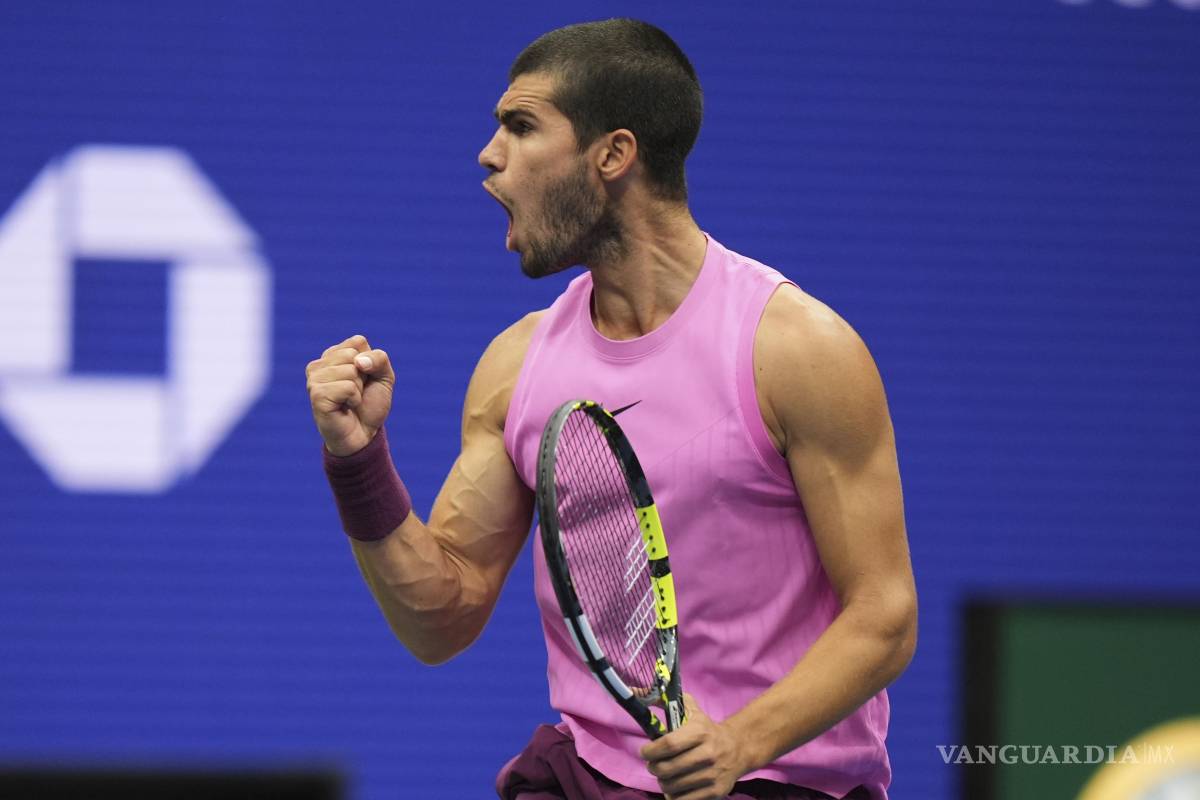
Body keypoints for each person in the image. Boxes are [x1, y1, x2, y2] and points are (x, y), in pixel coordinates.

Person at [306, 18, 916, 800]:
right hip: (588, 778)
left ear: (613, 154)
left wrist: (738, 743)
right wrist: (359, 463)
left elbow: (885, 616)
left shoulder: (796, 349)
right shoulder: (517, 364)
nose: (489, 156)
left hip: (776, 783)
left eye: (521, 127)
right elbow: (441, 616)